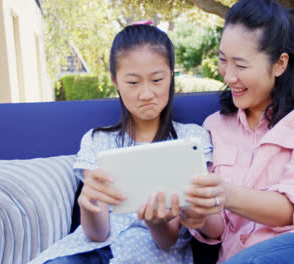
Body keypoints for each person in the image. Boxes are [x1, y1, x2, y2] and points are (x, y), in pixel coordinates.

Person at [180, 0, 294, 263]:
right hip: (243, 255)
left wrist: (225, 193)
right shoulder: (214, 126)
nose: (228, 76)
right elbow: (219, 229)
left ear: (279, 64)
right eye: (222, 60)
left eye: (240, 65)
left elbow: (292, 209)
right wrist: (200, 215)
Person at [29, 23, 212, 264]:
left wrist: (155, 222)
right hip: (86, 254)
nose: (146, 94)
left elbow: (168, 240)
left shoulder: (192, 140)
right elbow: (97, 234)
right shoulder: (97, 141)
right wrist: (89, 206)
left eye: (157, 80)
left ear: (171, 74)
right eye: (133, 83)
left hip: (151, 255)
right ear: (115, 81)